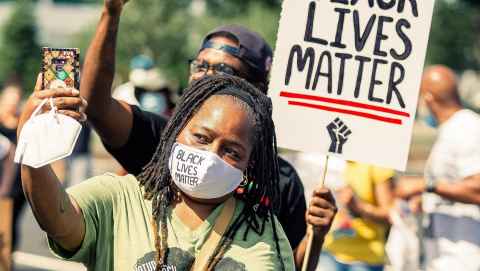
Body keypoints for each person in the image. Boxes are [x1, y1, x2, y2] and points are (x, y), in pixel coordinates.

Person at [74, 0, 335, 267]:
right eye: (199, 66)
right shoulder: (165, 140)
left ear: (258, 87)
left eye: (224, 71)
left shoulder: (280, 181)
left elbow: (289, 265)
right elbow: (96, 105)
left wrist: (315, 235)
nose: (205, 77)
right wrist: (112, 13)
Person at [20, 75, 298, 270]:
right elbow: (56, 217)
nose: (211, 156)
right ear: (175, 131)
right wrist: (30, 140)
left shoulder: (264, 233)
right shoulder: (119, 199)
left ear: (249, 164)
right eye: (201, 137)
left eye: (232, 152)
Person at [396, 65, 480, 271]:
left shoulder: (467, 128)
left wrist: (426, 186)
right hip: (445, 257)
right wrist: (424, 199)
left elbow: (478, 188)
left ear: (428, 98)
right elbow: (454, 186)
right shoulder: (451, 129)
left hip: (465, 259)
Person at [319, 162, 395, 271]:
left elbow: (389, 216)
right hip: (329, 253)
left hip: (365, 259)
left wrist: (358, 207)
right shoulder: (328, 160)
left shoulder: (378, 165)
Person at [0, 84, 24, 251]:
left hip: (16, 183)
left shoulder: (22, 123)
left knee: (11, 222)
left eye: (15, 101)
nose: (12, 105)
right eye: (9, 101)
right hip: (2, 179)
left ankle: (8, 257)